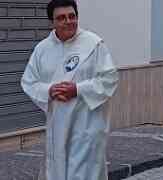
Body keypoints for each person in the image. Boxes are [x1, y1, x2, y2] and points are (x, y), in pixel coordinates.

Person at [21, 0, 119, 179]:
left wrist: (78, 89)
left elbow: (109, 78)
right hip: (57, 127)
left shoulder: (93, 44)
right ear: (52, 22)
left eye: (72, 16)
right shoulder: (42, 50)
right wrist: (49, 90)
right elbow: (29, 82)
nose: (68, 21)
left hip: (87, 127)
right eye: (61, 18)